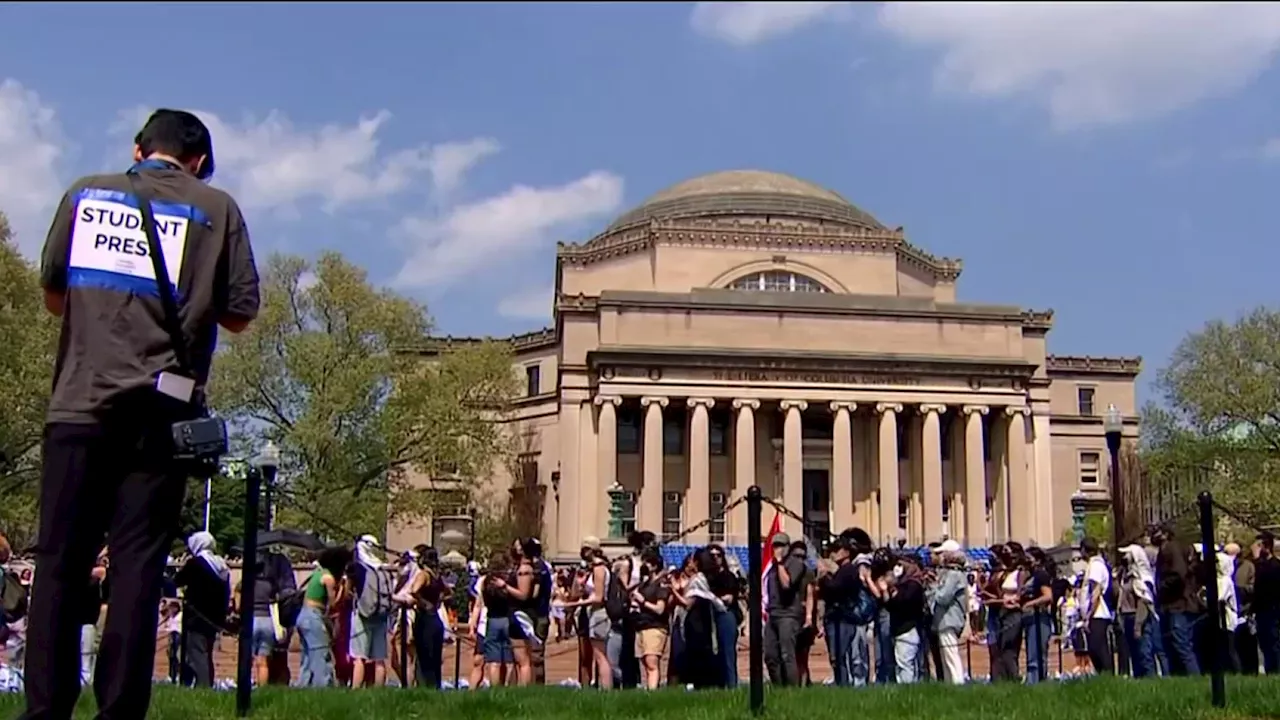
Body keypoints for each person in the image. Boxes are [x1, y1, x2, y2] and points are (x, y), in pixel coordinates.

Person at [23, 108, 259, 720]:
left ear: (138, 149)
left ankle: (45, 708)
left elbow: (54, 296)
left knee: (59, 561)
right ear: (199, 162)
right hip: (162, 413)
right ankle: (120, 710)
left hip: (80, 403)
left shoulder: (85, 193)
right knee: (136, 565)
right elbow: (239, 313)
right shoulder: (218, 208)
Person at [174, 532, 231, 688]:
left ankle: (203, 686)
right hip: (214, 618)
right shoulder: (222, 565)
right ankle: (207, 683)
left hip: (196, 616)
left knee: (196, 653)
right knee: (207, 653)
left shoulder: (196, 564)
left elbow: (177, 581)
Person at [764, 534, 810, 687]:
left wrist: (780, 564)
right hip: (773, 614)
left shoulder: (794, 564)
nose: (778, 549)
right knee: (770, 655)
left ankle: (792, 689)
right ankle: (778, 687)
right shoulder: (772, 567)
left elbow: (786, 584)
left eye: (781, 545)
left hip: (788, 615)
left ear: (788, 547)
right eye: (775, 546)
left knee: (787, 654)